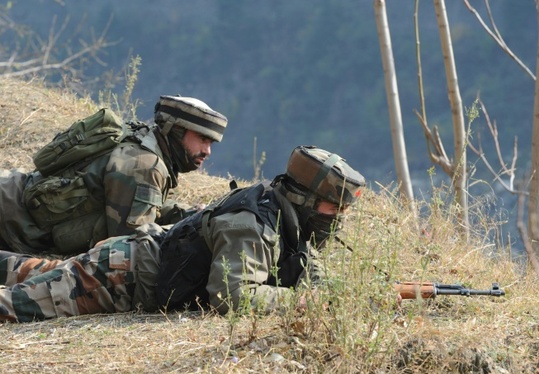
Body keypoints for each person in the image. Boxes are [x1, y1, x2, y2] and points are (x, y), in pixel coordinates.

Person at [0, 145, 365, 322]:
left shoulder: (284, 216)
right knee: (17, 306)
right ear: (304, 198)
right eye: (334, 208)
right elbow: (232, 296)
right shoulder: (251, 225)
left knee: (34, 274)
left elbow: (307, 267)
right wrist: (302, 304)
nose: (338, 218)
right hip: (119, 277)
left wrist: (337, 295)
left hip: (128, 263)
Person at [0, 95, 228, 255]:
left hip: (11, 197)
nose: (207, 151)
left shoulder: (141, 140)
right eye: (202, 139)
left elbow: (138, 208)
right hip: (10, 220)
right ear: (176, 130)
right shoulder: (145, 166)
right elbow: (131, 246)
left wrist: (185, 215)